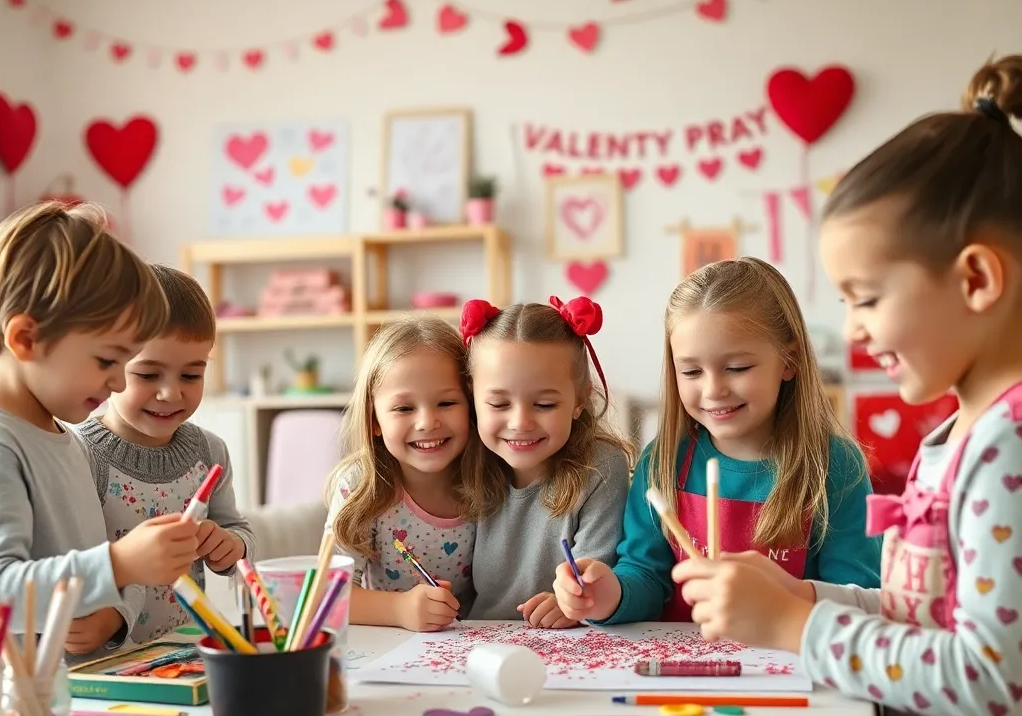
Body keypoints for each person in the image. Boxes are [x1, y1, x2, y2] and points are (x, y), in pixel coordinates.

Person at [672, 56, 1022, 716]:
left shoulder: (1009, 447)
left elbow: (993, 684)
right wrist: (804, 594)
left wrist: (798, 625)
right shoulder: (962, 433)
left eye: (866, 298)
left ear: (976, 280)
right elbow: (925, 615)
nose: (855, 330)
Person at [0, 201, 200, 660]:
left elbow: (81, 571)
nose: (118, 382)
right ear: (25, 339)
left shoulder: (64, 439)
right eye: (106, 361)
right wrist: (119, 563)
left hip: (78, 689)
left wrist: (114, 609)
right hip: (8, 706)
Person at [553, 258, 879, 625]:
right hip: (681, 670)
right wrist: (607, 595)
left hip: (787, 667)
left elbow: (855, 594)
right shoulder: (662, 462)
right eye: (692, 371)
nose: (714, 390)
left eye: (737, 368)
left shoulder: (835, 464)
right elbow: (645, 574)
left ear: (789, 360)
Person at [76, 264, 254, 650]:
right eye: (148, 375)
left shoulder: (210, 451)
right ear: (108, 364)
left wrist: (231, 547)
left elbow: (237, 530)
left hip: (184, 649)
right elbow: (77, 562)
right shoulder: (80, 454)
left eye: (191, 376)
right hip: (109, 659)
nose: (171, 394)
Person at [461, 297, 633, 626]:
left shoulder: (600, 467)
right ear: (472, 397)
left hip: (573, 646)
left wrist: (574, 600)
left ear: (580, 400)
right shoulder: (468, 462)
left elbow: (594, 578)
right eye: (498, 404)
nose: (521, 422)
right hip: (475, 643)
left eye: (543, 404)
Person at [327, 316, 475, 632]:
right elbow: (326, 597)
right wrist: (401, 610)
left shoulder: (490, 476)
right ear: (374, 420)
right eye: (404, 409)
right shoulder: (359, 486)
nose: (426, 422)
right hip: (387, 650)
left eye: (446, 402)